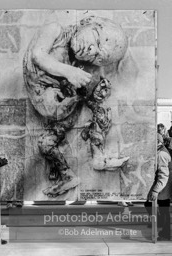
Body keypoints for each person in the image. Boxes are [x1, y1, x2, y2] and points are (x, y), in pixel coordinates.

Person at [23, 16, 131, 197]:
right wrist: (69, 72)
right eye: (96, 38)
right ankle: (67, 174)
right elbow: (38, 55)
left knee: (46, 142)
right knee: (46, 143)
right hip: (44, 95)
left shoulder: (85, 66)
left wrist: (89, 93)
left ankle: (92, 157)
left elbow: (83, 90)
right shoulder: (55, 29)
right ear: (86, 22)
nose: (91, 50)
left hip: (62, 104)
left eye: (98, 56)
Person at [145, 133, 172, 241]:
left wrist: (156, 190)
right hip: (163, 188)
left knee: (164, 209)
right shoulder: (159, 152)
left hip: (163, 188)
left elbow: (164, 176)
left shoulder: (161, 155)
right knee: (153, 205)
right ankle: (161, 224)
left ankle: (166, 232)